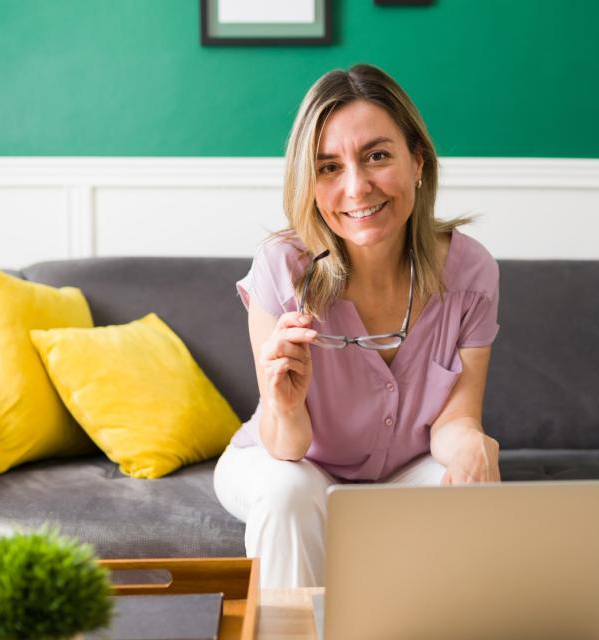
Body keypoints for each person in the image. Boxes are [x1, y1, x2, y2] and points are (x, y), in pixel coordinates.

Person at [213, 63, 501, 589]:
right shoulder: (283, 269)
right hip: (287, 457)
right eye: (328, 167)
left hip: (405, 467)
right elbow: (287, 445)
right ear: (311, 183)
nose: (356, 187)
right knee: (287, 491)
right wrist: (283, 399)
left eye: (377, 156)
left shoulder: (471, 272)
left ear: (417, 160)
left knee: (458, 483)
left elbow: (456, 419)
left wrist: (470, 447)